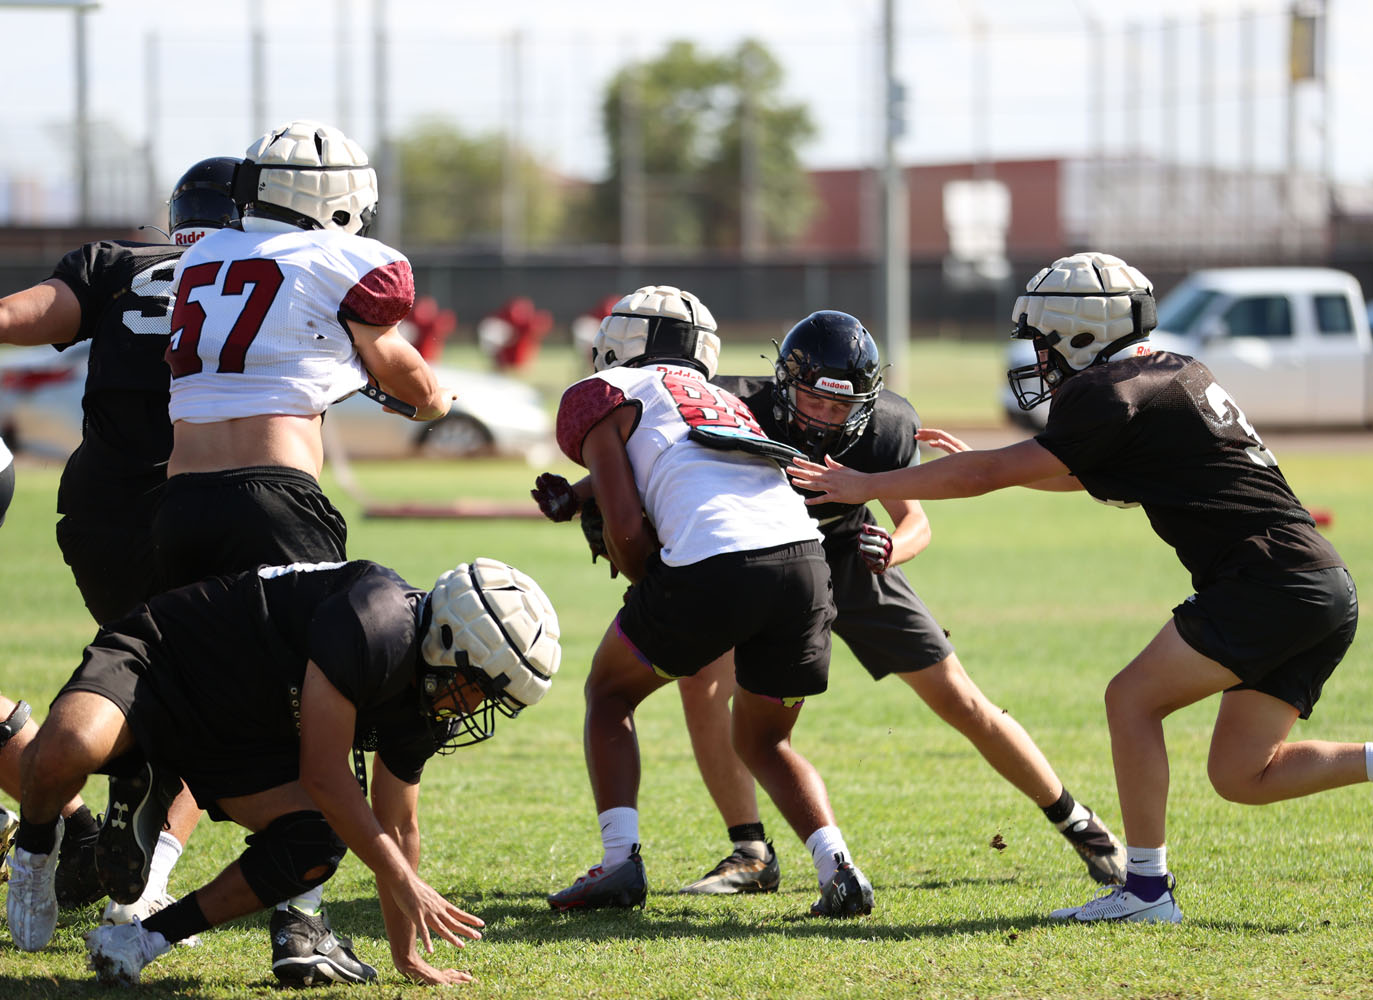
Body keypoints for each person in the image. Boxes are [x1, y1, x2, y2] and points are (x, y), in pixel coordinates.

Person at [787, 251, 1373, 924]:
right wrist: (1001, 467)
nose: (1041, 358)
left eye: (1045, 342)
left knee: (1131, 699)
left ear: (1081, 333)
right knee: (1242, 773)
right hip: (1318, 583)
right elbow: (1084, 475)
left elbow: (984, 478)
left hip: (1265, 581)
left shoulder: (1108, 389)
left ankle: (1146, 890)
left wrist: (866, 485)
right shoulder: (1172, 373)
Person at [648, 309, 1123, 895]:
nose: (824, 417)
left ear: (868, 402)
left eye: (841, 406)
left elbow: (916, 521)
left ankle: (1078, 821)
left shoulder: (887, 428)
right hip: (752, 556)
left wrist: (892, 549)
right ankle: (749, 850)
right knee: (701, 680)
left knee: (961, 699)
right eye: (815, 401)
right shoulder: (735, 406)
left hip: (849, 555)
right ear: (784, 383)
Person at [143, 120, 455, 982]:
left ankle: (146, 867)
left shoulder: (199, 259)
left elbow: (264, 353)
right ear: (339, 199)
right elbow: (407, 375)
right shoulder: (339, 260)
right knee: (321, 699)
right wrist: (431, 398)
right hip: (275, 502)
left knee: (203, 695)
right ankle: (301, 920)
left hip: (180, 505)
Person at [5, 555, 561, 986]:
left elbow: (398, 825)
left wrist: (406, 951)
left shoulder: (428, 694)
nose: (476, 707)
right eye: (482, 688)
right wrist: (403, 880)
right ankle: (35, 848)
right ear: (448, 643)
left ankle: (142, 942)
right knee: (69, 747)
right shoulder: (378, 622)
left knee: (313, 844)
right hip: (171, 658)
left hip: (240, 734)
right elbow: (323, 774)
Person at [537, 285, 871, 917]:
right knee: (766, 740)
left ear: (618, 344)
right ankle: (839, 870)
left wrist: (647, 586)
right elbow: (685, 459)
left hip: (716, 562)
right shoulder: (722, 397)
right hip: (803, 562)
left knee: (609, 694)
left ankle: (618, 865)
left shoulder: (604, 395)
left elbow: (629, 525)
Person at [0, 157, 244, 922]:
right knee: (218, 695)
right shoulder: (277, 270)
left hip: (100, 508)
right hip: (208, 502)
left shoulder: (120, 264)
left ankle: (73, 820)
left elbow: (19, 319)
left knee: (133, 661)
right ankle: (148, 877)